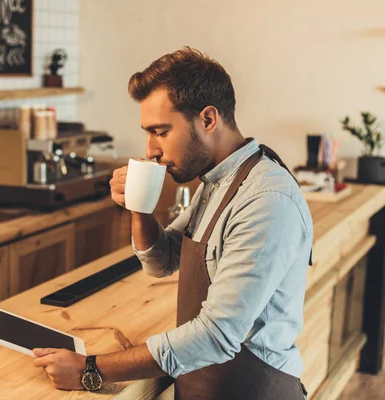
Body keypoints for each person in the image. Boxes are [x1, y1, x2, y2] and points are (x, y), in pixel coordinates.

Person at [33, 47, 312, 400]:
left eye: (160, 131)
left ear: (208, 120)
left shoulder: (265, 199)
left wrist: (91, 368)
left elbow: (215, 336)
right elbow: (162, 261)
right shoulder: (215, 182)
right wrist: (140, 206)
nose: (149, 149)